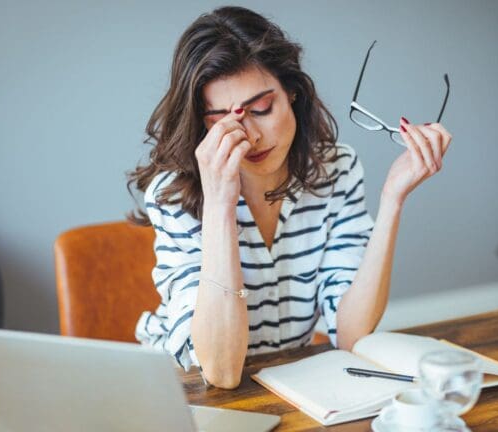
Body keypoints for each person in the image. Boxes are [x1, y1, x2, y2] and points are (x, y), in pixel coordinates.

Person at [129, 6, 452, 389]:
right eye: (223, 122)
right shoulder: (174, 195)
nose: (250, 136)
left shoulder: (336, 170)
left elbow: (351, 336)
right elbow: (221, 371)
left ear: (293, 92)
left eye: (262, 109)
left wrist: (392, 200)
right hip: (184, 390)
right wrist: (219, 204)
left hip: (285, 386)